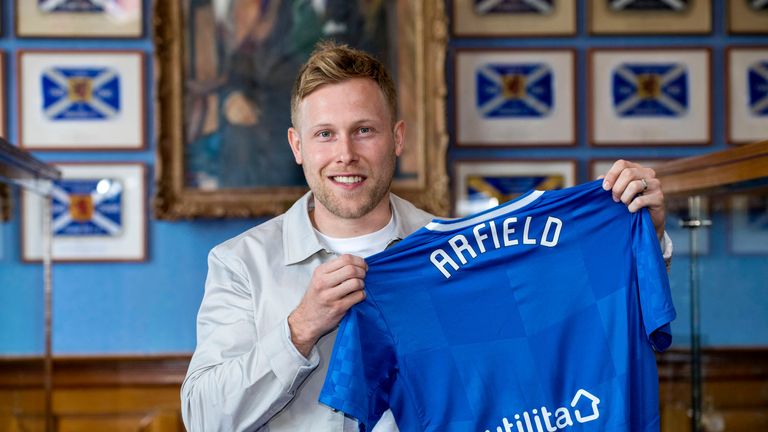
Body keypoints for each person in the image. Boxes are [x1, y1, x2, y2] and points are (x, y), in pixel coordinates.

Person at [180, 41, 672, 432]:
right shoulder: (240, 264)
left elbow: (560, 313)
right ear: (297, 146)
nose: (345, 153)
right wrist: (300, 329)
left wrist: (641, 235)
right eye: (325, 134)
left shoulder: (457, 248)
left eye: (364, 130)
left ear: (396, 139)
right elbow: (203, 419)